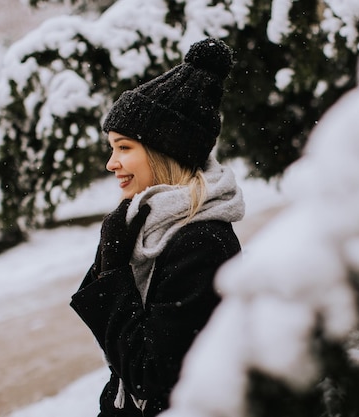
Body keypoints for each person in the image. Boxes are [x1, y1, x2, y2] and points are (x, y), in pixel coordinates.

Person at [70, 38, 245, 417]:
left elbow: (152, 377)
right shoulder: (146, 226)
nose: (110, 163)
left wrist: (113, 271)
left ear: (164, 150)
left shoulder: (202, 242)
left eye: (124, 148)